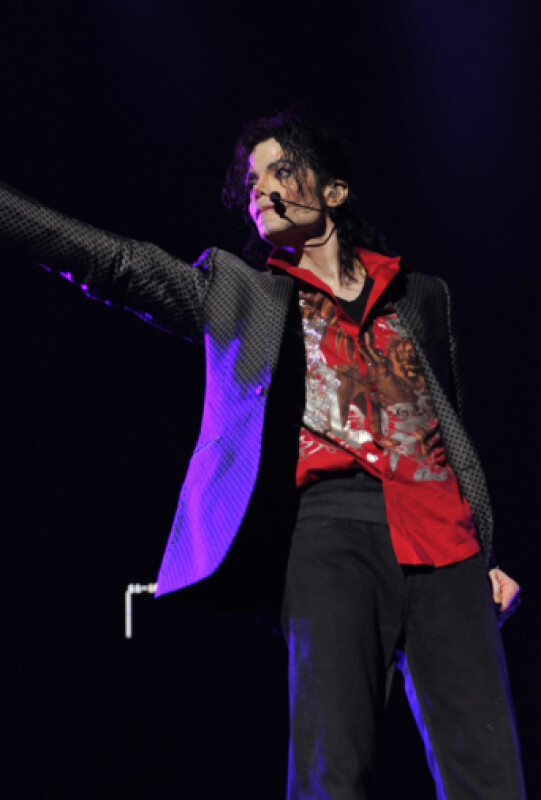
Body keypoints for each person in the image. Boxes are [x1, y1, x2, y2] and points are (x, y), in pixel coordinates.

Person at [0, 112, 525, 799]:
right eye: (251, 181)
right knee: (330, 772)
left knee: (490, 779)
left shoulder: (422, 296)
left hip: (444, 544)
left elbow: (444, 427)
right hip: (328, 532)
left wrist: (484, 552)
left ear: (333, 191)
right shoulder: (241, 293)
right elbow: (116, 263)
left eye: (281, 171)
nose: (260, 190)